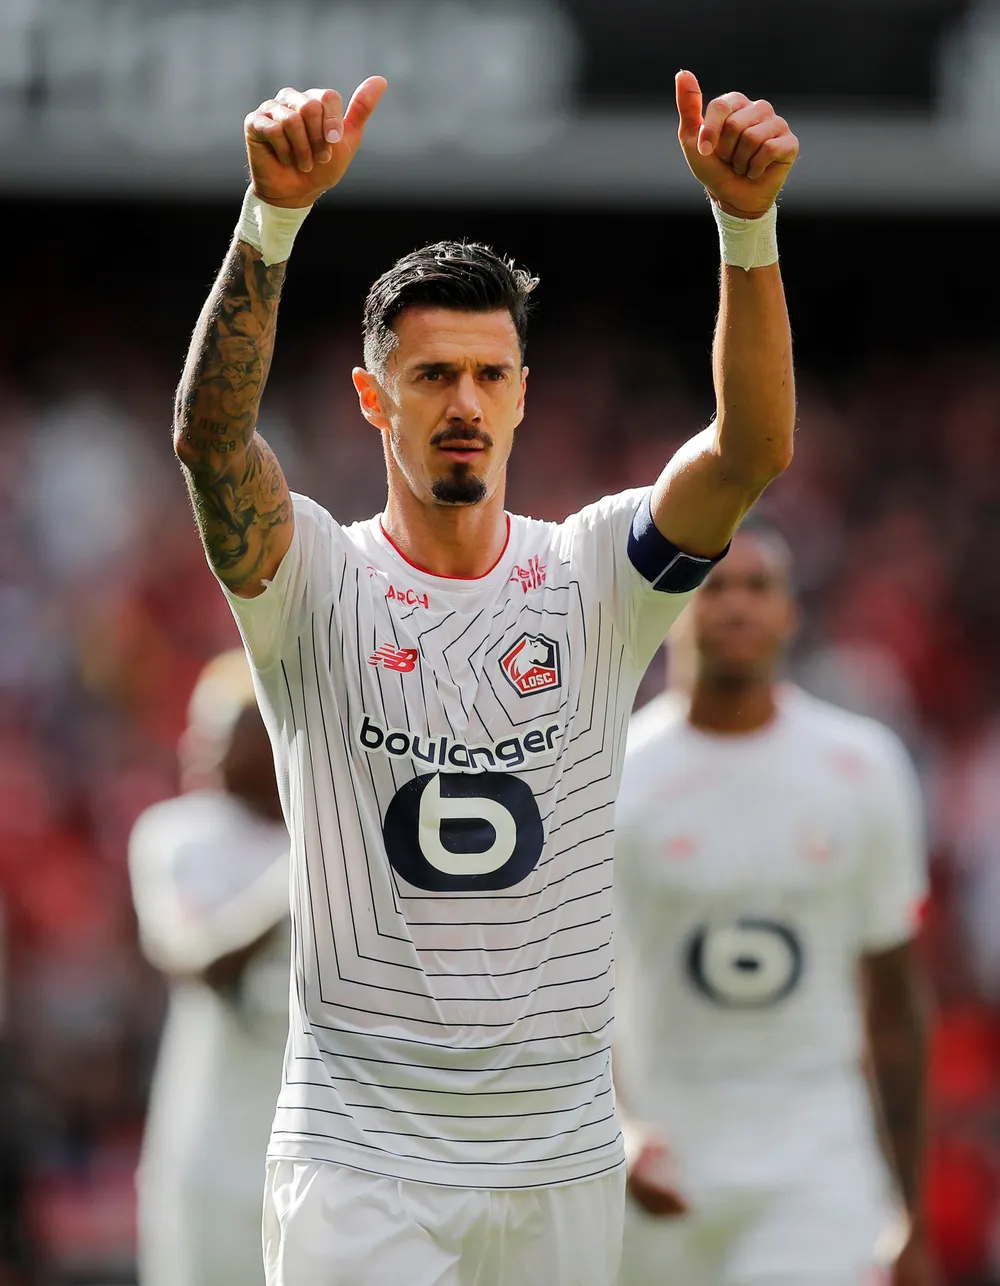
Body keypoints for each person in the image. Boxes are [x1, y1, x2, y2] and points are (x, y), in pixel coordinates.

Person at [171, 67, 798, 1285]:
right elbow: (209, 443)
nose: (463, 402)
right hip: (359, 1153)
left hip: (558, 1156)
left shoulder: (595, 575)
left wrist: (747, 223)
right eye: (430, 374)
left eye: (488, 374)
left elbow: (751, 450)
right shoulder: (312, 580)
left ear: (521, 395)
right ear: (372, 397)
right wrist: (273, 216)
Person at [613, 520, 932, 1286]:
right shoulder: (614, 773)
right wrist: (617, 1132)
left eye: (758, 587)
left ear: (790, 612)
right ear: (672, 610)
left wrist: (909, 1207)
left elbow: (895, 997)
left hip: (816, 1161)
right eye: (714, 587)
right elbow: (567, 989)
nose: (737, 605)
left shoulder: (862, 767)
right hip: (667, 1156)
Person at [129, 651, 290, 1286]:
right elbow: (192, 957)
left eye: (223, 731)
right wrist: (301, 875)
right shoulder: (180, 834)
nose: (199, 747)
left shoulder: (327, 837)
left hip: (320, 1155)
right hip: (209, 1152)